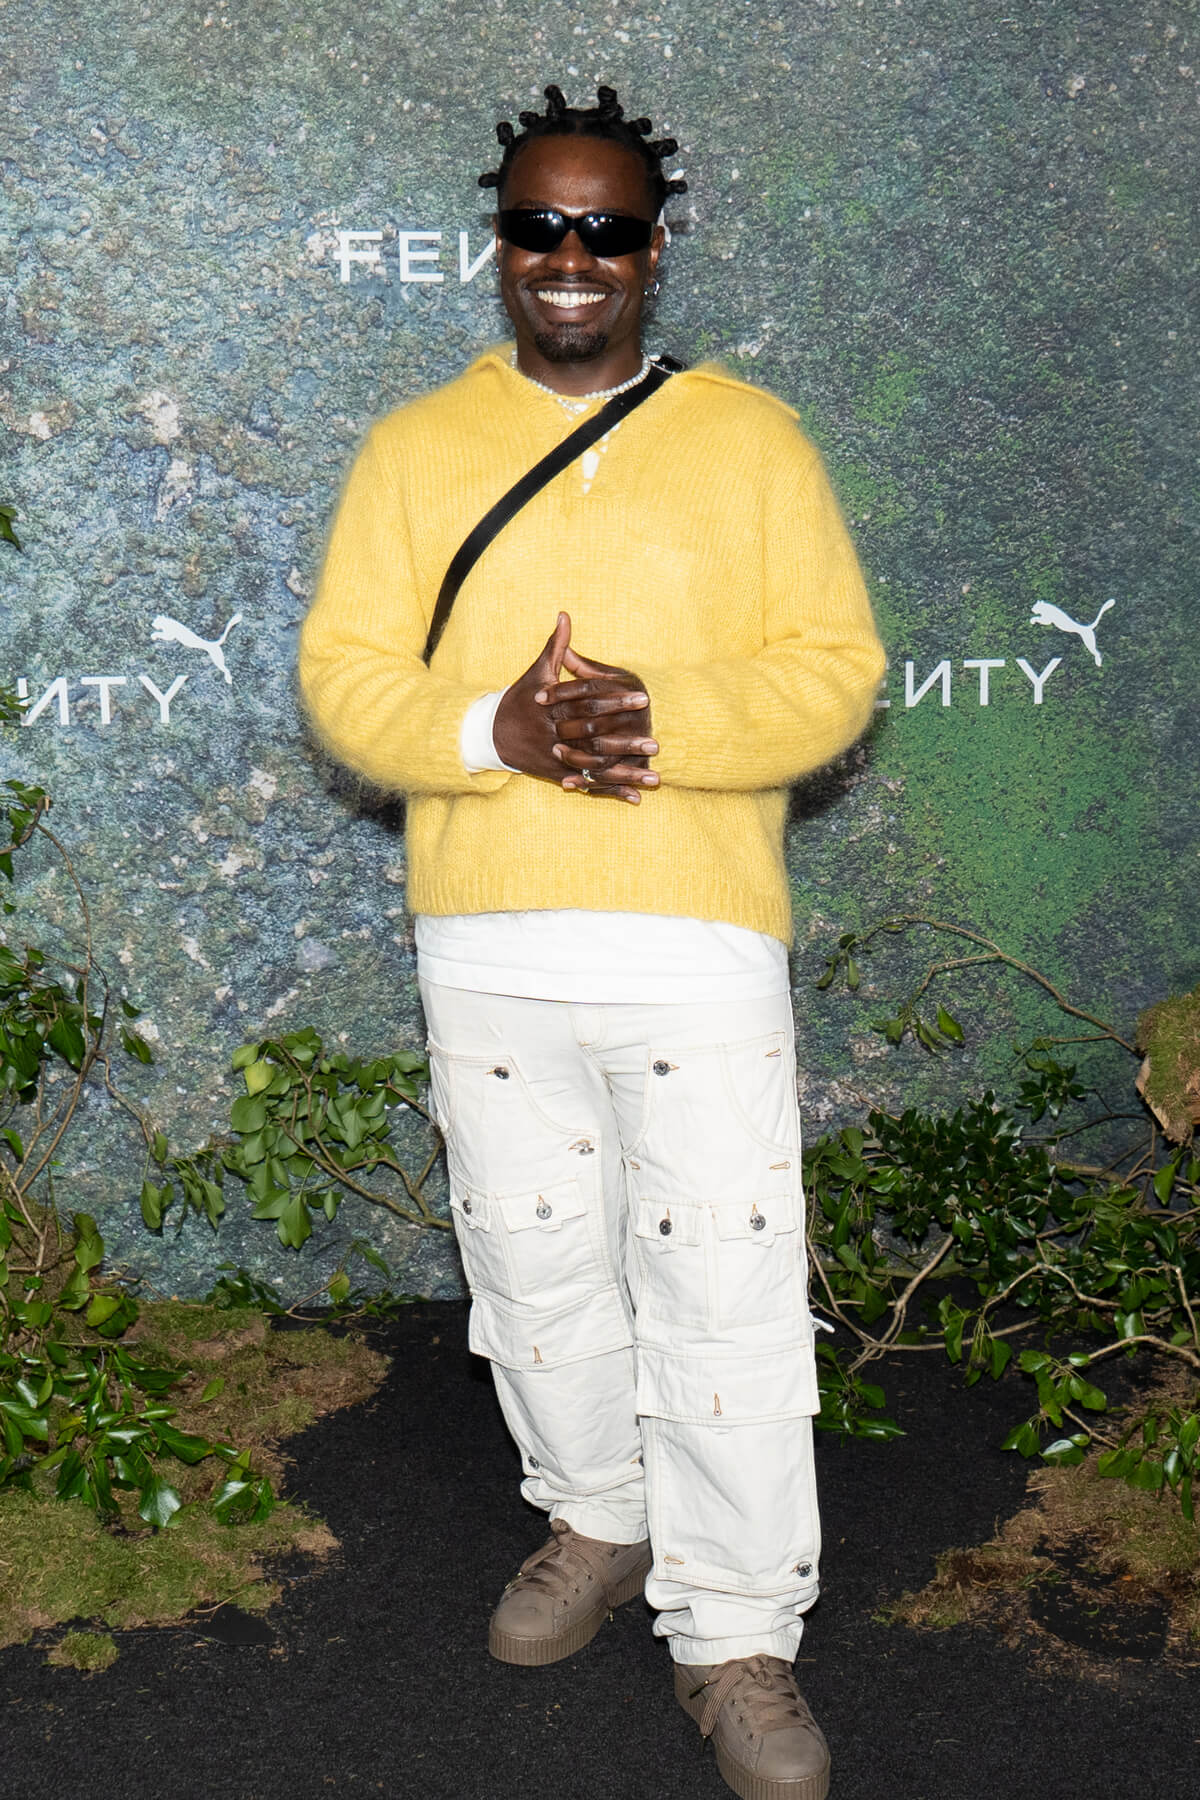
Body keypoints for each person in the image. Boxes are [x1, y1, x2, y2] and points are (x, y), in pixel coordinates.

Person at [299, 82, 885, 1800]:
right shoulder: (412, 449)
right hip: (485, 937)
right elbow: (344, 677)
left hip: (693, 935)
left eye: (606, 227)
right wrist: (491, 732)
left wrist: (655, 720)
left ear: (653, 246)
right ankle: (599, 1518)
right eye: (540, 226)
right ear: (500, 244)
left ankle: (740, 1633)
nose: (572, 256)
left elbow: (835, 669)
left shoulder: (755, 442)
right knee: (532, 1258)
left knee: (722, 1286)